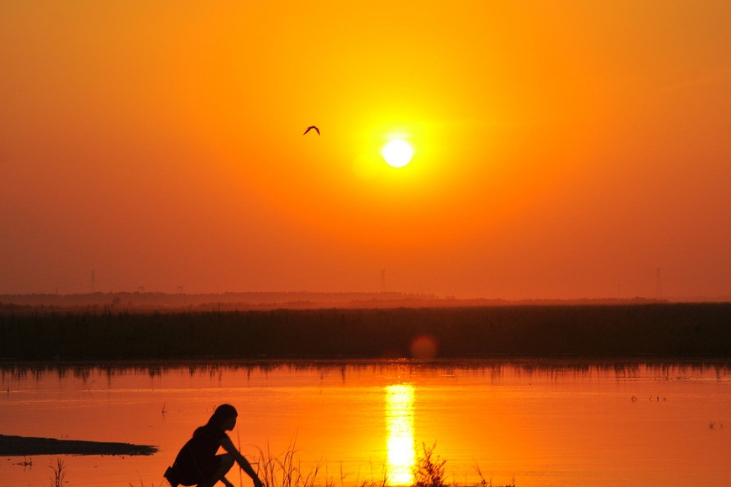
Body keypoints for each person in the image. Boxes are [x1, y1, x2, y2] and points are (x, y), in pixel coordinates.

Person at [164, 404, 264, 487]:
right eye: (233, 418)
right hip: (189, 473)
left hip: (183, 473)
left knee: (224, 460)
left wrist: (226, 483)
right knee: (230, 458)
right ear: (226, 419)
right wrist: (255, 478)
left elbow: (208, 464)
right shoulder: (218, 434)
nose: (235, 422)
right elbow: (238, 457)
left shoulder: (203, 431)